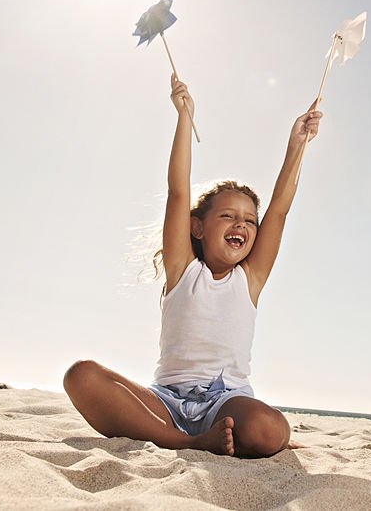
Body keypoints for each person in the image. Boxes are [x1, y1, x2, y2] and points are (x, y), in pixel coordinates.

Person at [64, 74, 322, 457]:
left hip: (225, 404)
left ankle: (199, 438)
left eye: (250, 220)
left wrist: (297, 146)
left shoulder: (249, 279)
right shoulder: (183, 269)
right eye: (228, 217)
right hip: (164, 404)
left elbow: (280, 210)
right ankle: (185, 442)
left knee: (269, 430)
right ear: (197, 226)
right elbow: (178, 191)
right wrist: (185, 118)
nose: (242, 225)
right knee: (79, 375)